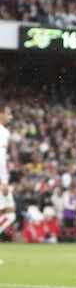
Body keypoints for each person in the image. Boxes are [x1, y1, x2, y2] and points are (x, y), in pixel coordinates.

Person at [0, 103, 16, 241]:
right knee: (10, 215)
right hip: (0, 180)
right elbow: (0, 156)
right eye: (8, 113)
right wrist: (4, 181)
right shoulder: (2, 132)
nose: (11, 117)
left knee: (6, 213)